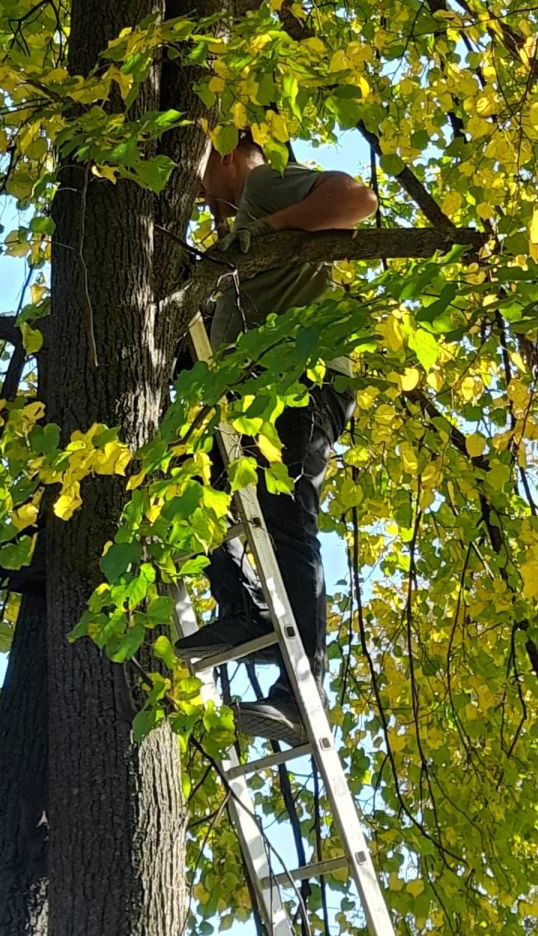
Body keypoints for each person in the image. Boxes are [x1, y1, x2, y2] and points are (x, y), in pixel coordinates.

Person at [175, 132, 378, 745]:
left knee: (285, 515)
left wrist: (268, 229)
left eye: (203, 170)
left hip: (298, 382)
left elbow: (356, 201)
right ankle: (244, 610)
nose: (198, 189)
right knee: (196, 484)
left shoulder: (262, 188)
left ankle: (300, 691)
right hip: (252, 392)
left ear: (233, 156)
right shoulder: (232, 234)